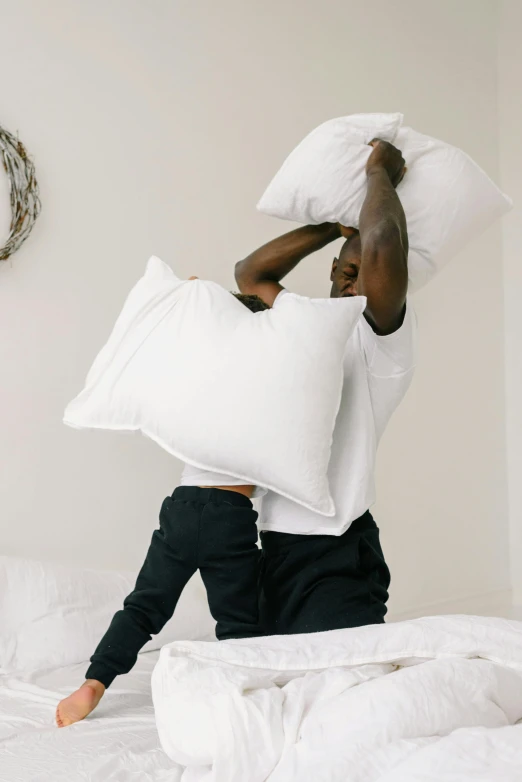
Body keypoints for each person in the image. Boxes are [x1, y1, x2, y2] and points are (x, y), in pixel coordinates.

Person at [56, 292, 269, 728]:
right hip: (230, 514)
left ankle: (94, 682)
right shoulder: (266, 386)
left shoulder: (202, 378)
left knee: (144, 606)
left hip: (183, 506)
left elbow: (187, 299)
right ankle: (239, 691)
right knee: (241, 619)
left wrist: (205, 298)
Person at [234, 138, 416, 636]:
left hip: (335, 552)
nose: (357, 286)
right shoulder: (306, 322)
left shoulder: (382, 337)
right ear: (333, 273)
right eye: (348, 273)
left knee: (341, 691)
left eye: (370, 275)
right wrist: (331, 228)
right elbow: (250, 275)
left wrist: (378, 173)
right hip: (271, 547)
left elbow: (381, 241)